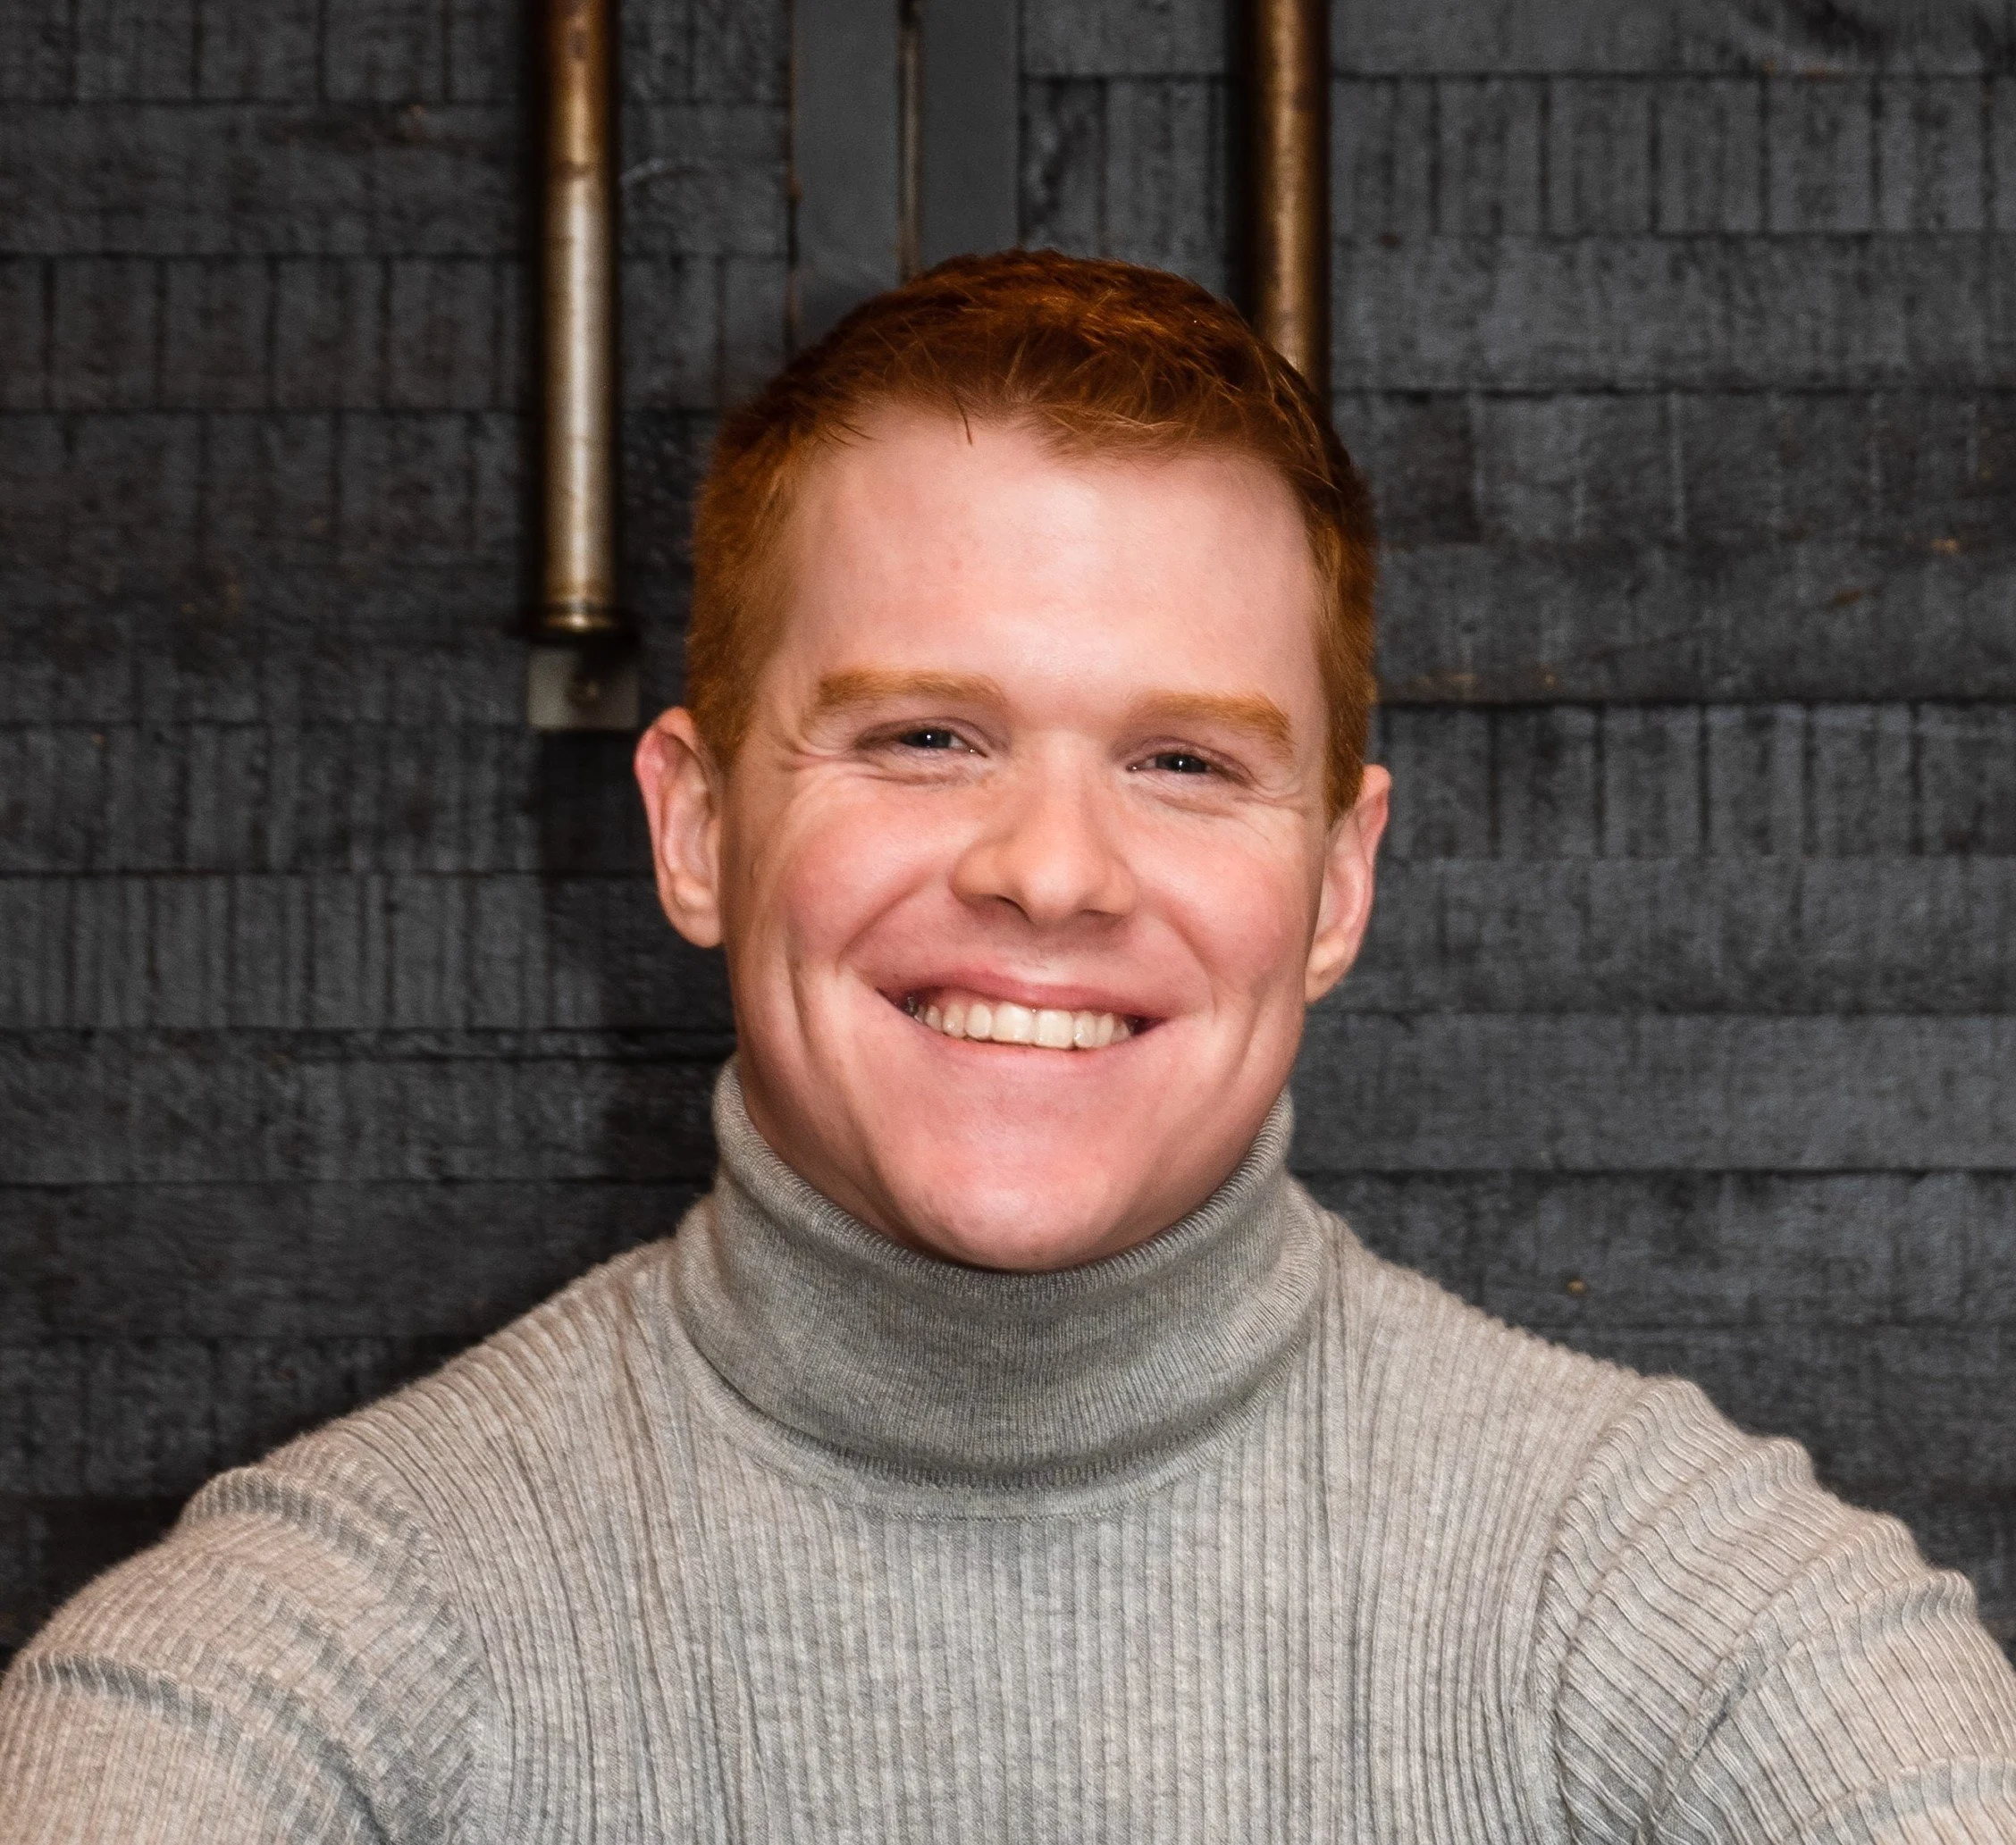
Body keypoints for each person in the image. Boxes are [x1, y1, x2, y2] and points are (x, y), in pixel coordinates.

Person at [4, 251, 2013, 1843]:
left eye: (1184, 761)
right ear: (697, 828)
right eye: (924, 737)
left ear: (1336, 884)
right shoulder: (294, 1655)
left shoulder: (1701, 1615)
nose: (1051, 872)